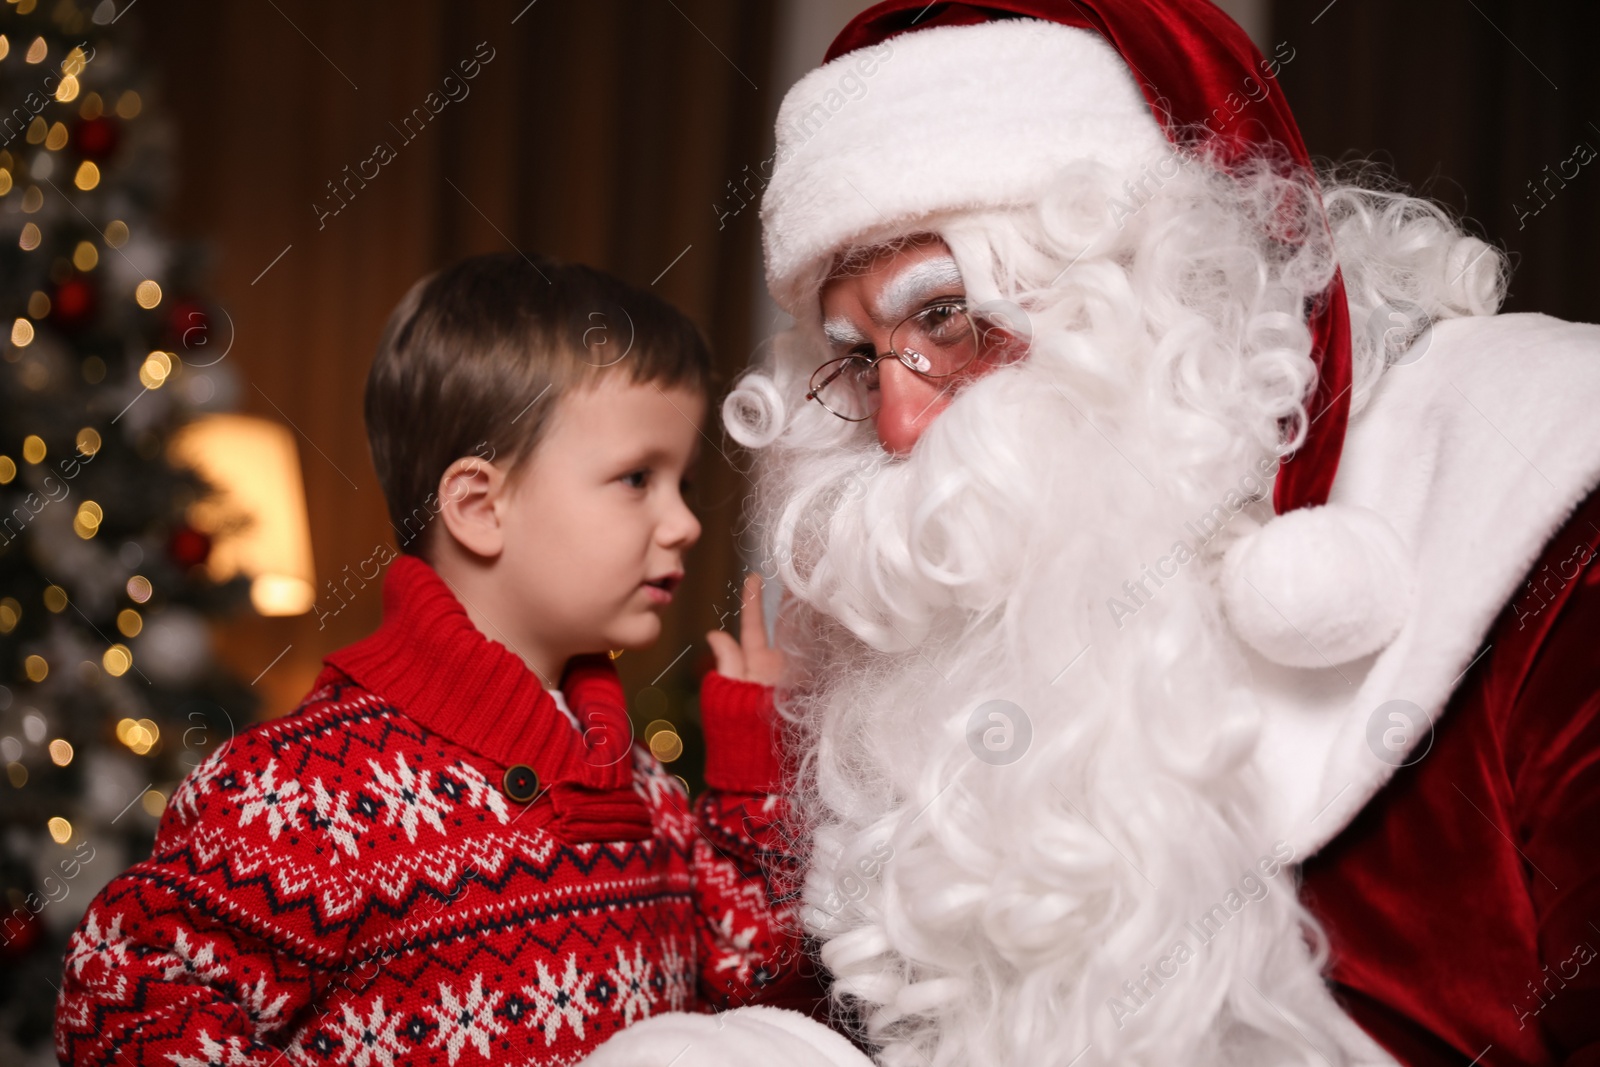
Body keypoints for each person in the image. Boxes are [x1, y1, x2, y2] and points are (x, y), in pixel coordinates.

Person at [596, 1, 1600, 1065]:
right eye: (856, 356)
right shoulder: (950, 639)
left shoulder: (1528, 492)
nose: (896, 425)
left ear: (1147, 281)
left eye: (945, 316)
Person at [53, 253, 821, 1067]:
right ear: (480, 507)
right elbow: (117, 1001)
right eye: (638, 478)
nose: (685, 523)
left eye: (686, 485)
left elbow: (753, 1003)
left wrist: (749, 780)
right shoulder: (305, 794)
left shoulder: (645, 790)